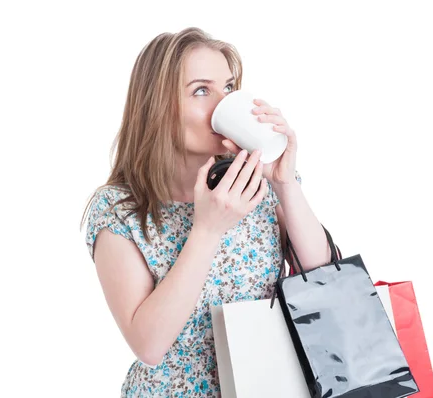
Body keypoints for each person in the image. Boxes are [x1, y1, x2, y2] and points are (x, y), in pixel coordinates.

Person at [80, 27, 337, 397]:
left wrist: (284, 183)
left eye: (228, 88)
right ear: (157, 107)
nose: (223, 104)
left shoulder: (253, 182)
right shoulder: (120, 211)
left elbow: (323, 278)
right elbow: (149, 346)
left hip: (267, 385)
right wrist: (207, 230)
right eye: (202, 90)